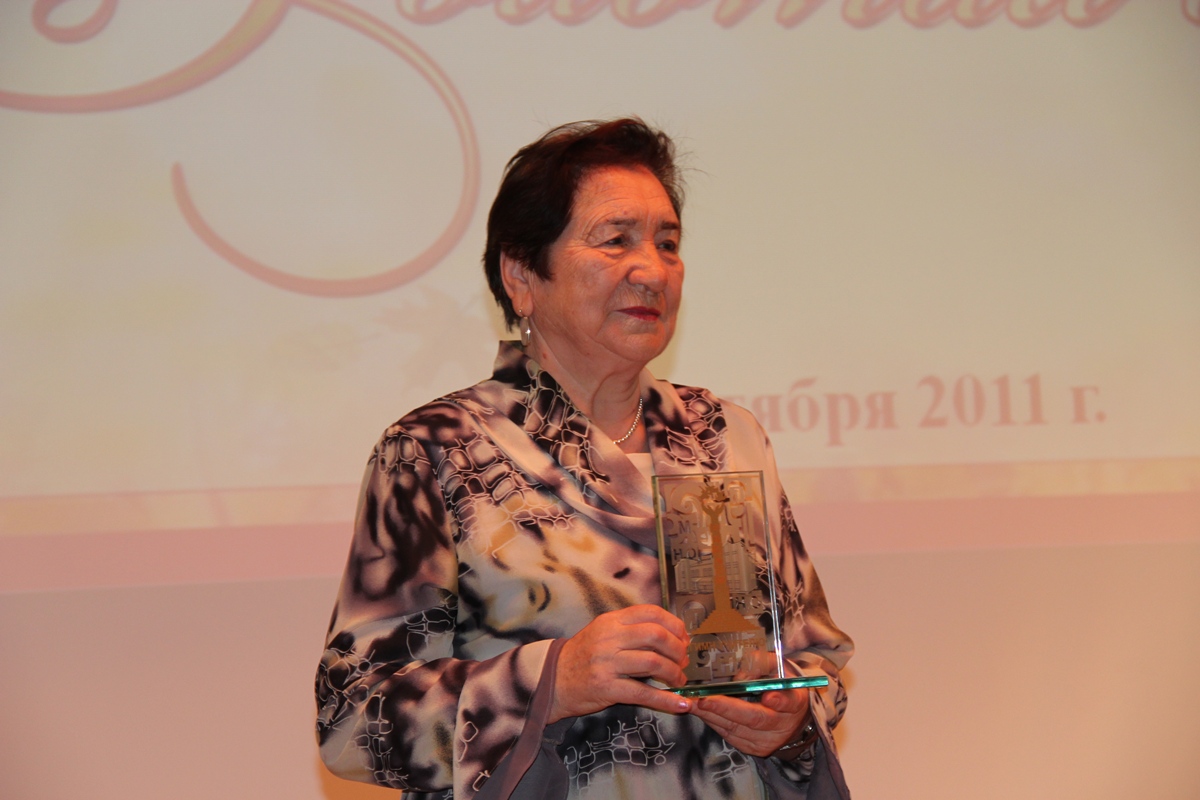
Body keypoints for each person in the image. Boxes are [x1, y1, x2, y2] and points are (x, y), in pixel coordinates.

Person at [316, 118, 853, 800]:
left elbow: (816, 659)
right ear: (521, 275)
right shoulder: (437, 450)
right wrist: (552, 679)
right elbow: (350, 722)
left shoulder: (723, 437)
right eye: (615, 240)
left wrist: (793, 717)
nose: (652, 270)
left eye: (668, 244)